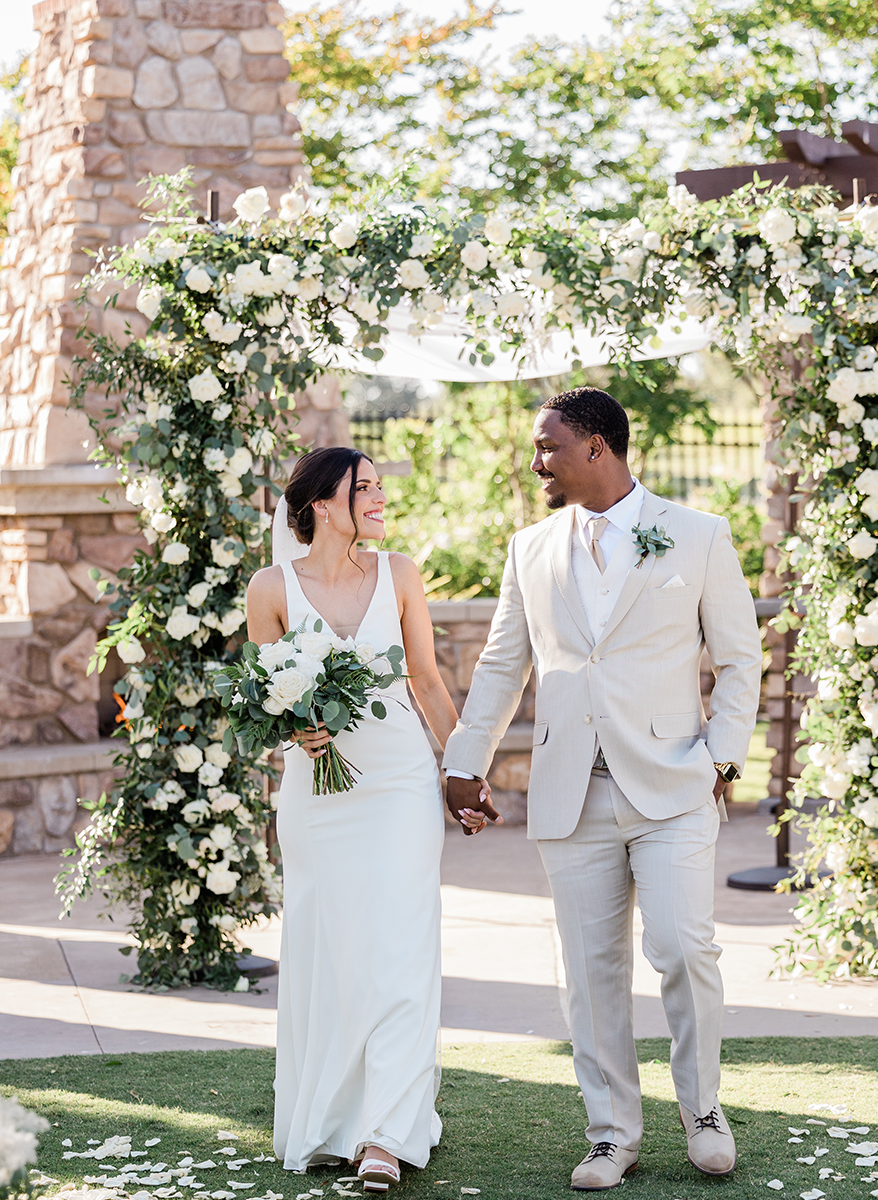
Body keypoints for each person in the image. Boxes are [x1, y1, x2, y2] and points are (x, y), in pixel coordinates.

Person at [443, 387, 762, 1189]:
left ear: (597, 447)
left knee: (686, 948)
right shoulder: (530, 547)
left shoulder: (697, 535)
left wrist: (719, 760)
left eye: (548, 446)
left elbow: (739, 659)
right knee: (589, 972)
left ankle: (704, 1112)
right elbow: (502, 664)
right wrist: (463, 760)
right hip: (569, 791)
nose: (536, 460)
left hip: (672, 786)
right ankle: (611, 1132)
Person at [247, 447, 490, 1193]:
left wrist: (461, 772)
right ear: (322, 503)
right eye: (366, 488)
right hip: (317, 797)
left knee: (401, 948)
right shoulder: (270, 587)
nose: (381, 498)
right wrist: (296, 732)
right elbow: (266, 698)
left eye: (381, 486)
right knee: (335, 952)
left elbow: (426, 679)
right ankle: (332, 1120)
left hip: (398, 786)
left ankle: (386, 1134)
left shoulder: (402, 574)